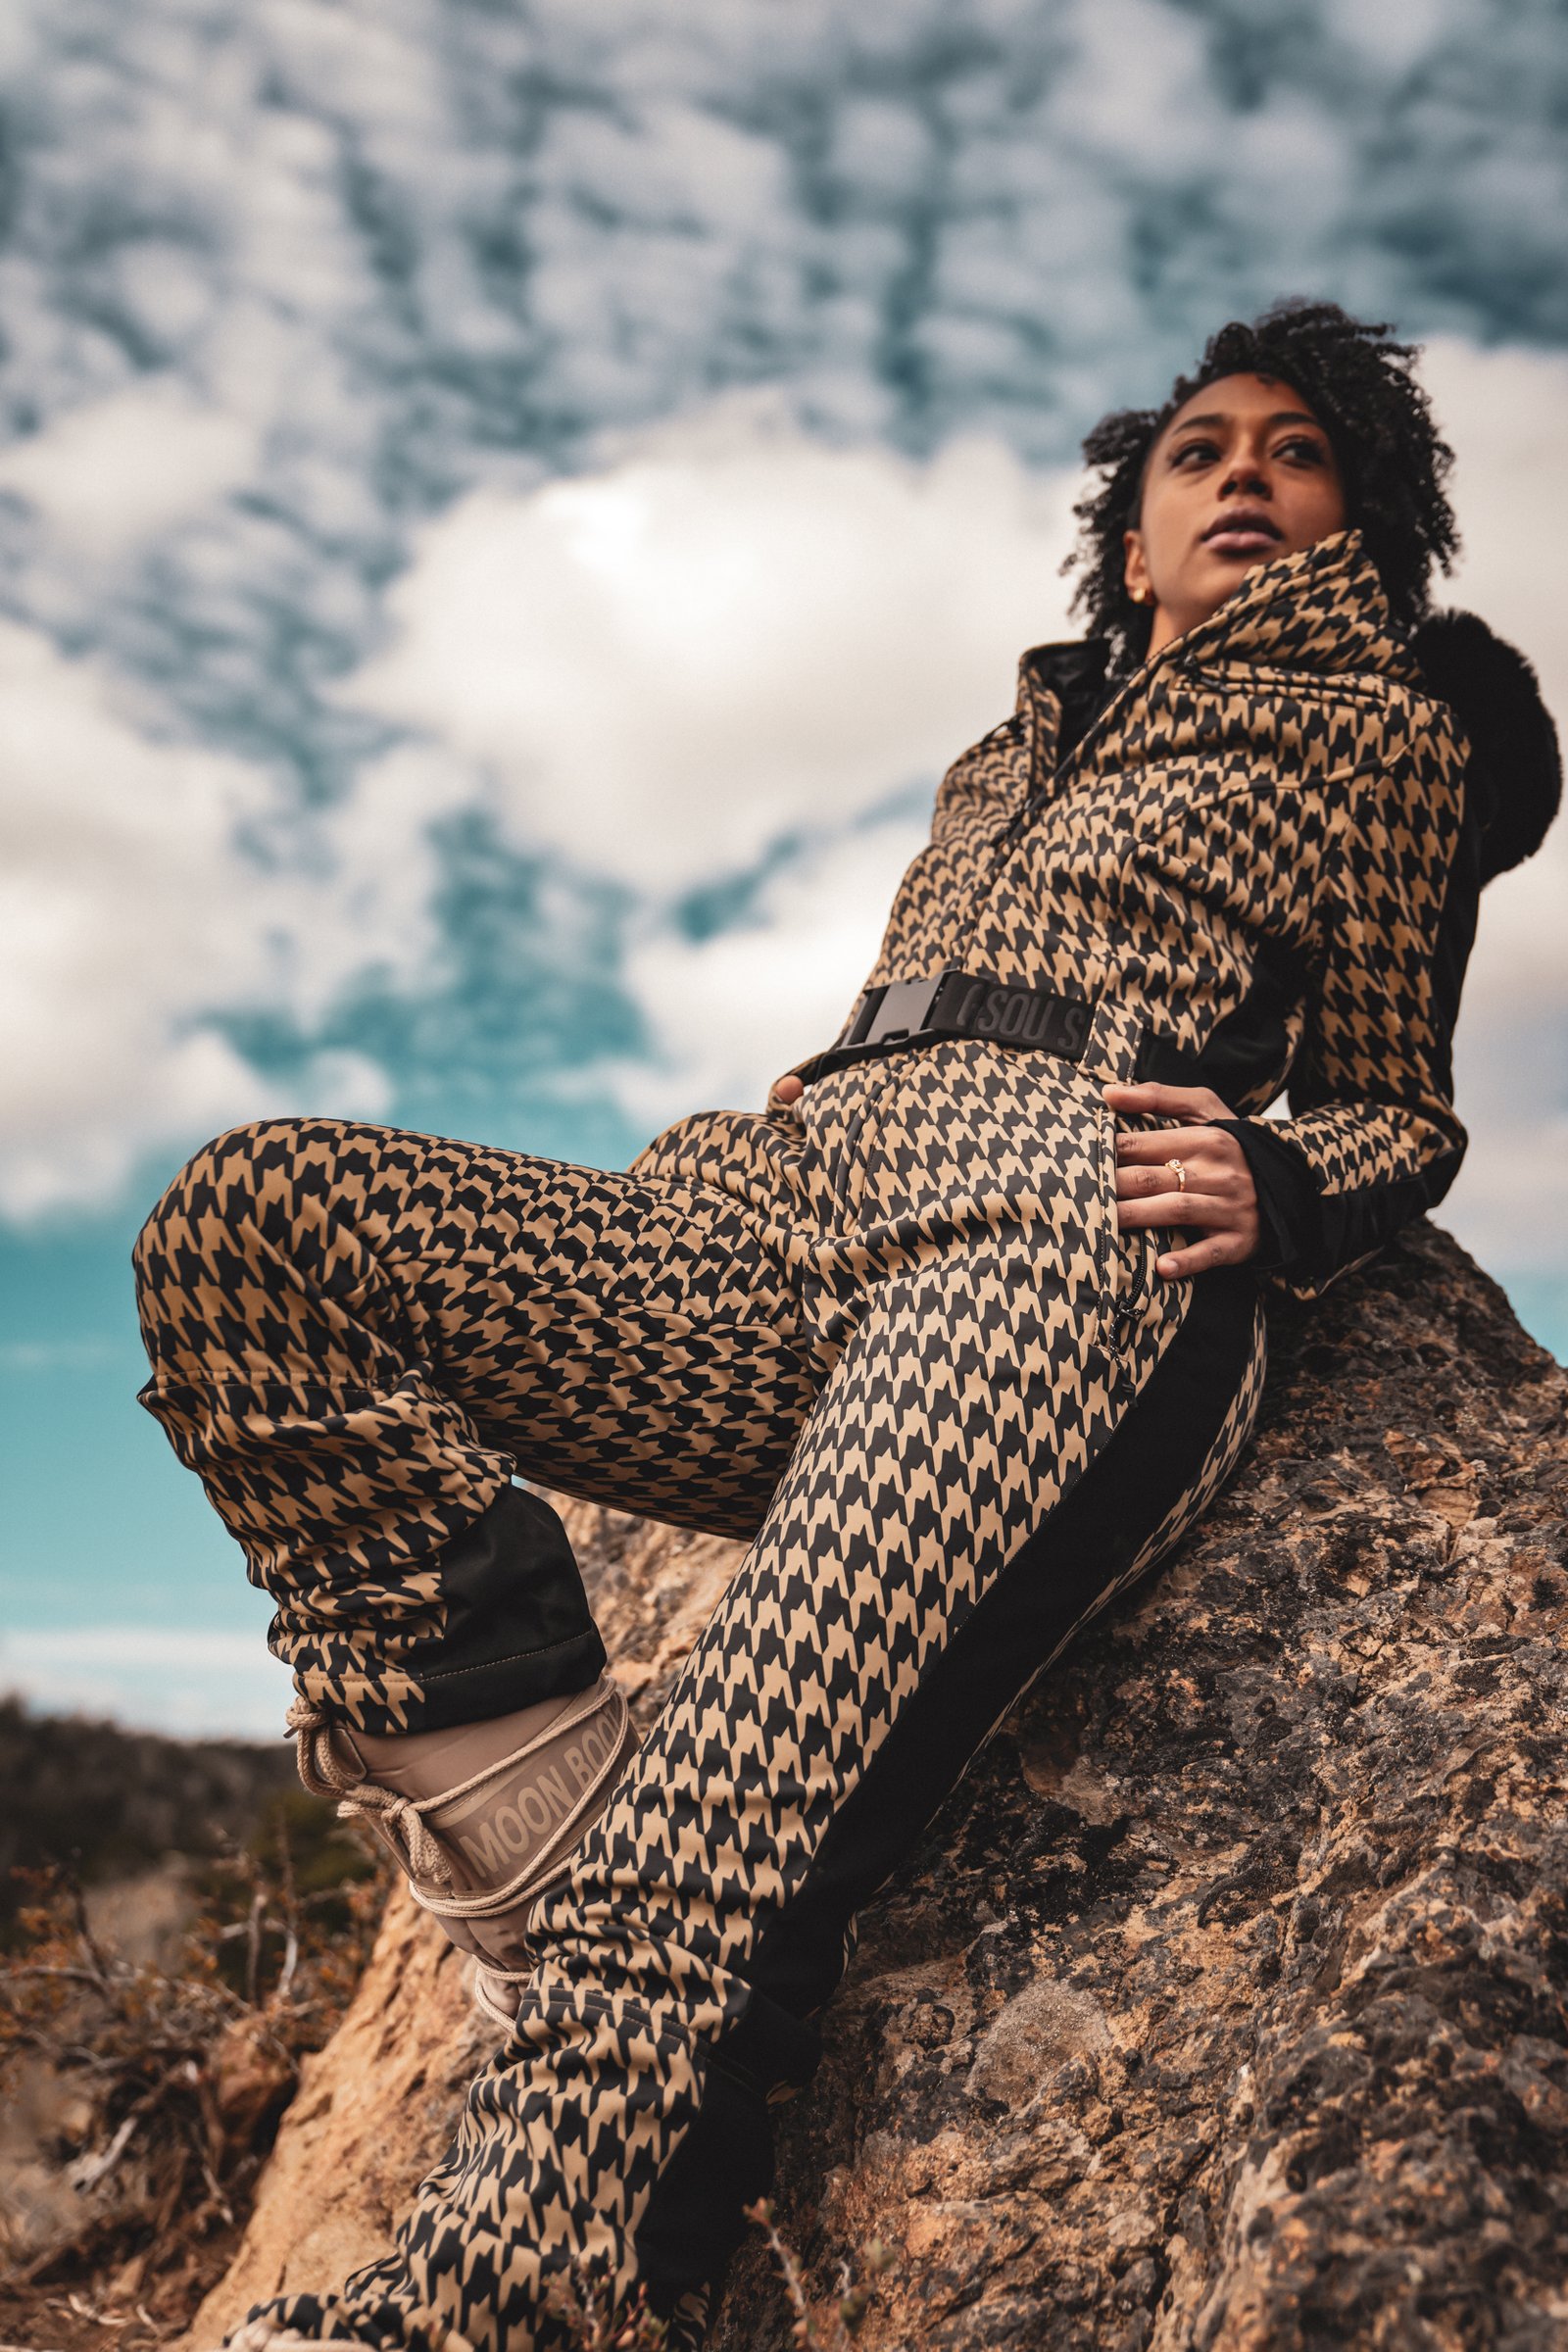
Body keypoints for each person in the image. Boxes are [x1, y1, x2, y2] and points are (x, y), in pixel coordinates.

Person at [132, 300, 1559, 2352]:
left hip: (1051, 1228)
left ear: (1363, 517)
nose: (1244, 472)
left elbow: (1396, 1095)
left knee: (732, 1779)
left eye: (1298, 450)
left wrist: (1285, 1179)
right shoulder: (1005, 744)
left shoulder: (1378, 728)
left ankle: (482, 2298)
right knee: (254, 1218)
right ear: (1131, 533)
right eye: (1199, 450)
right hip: (778, 1188)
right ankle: (512, 1782)